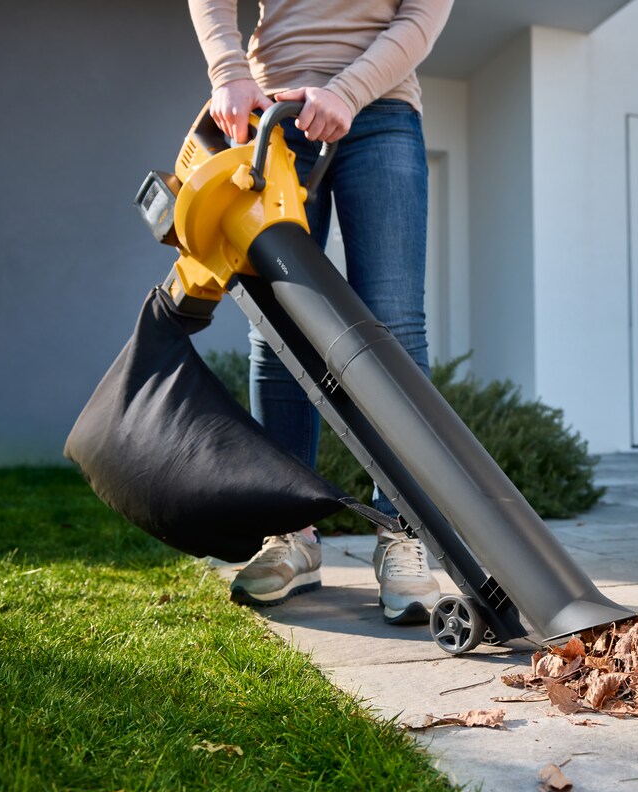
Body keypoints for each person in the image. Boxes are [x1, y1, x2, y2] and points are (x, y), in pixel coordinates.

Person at [188, 0, 454, 622]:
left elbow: (421, 15)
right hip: (273, 113)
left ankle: (402, 533)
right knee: (278, 329)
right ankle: (290, 534)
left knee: (393, 326)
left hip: (381, 111)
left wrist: (349, 90)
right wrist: (229, 71)